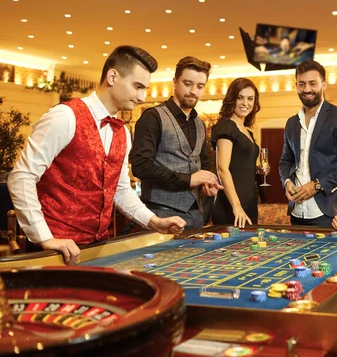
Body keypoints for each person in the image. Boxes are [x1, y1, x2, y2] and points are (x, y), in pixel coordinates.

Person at [8, 45, 187, 265]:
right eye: (137, 86)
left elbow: (120, 190)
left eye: (145, 89)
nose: (142, 97)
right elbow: (21, 177)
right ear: (113, 76)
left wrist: (153, 221)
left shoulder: (122, 132)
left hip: (97, 248)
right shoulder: (65, 116)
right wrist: (45, 238)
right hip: (54, 250)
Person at [131, 56, 222, 229]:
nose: (193, 91)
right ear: (174, 82)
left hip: (196, 213)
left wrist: (206, 182)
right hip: (160, 212)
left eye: (200, 86)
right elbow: (141, 166)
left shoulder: (199, 123)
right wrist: (188, 180)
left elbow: (203, 161)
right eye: (187, 83)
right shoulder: (153, 117)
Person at [279, 60, 337, 227]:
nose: (307, 89)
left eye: (312, 83)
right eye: (301, 84)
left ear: (324, 84)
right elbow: (285, 161)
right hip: (297, 212)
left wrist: (317, 185)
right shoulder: (292, 123)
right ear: (296, 85)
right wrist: (287, 182)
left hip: (332, 213)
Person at [211, 78, 265, 228]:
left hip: (249, 201)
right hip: (231, 205)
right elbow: (222, 169)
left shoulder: (247, 131)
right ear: (232, 99)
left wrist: (258, 169)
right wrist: (236, 206)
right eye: (240, 97)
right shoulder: (227, 126)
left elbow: (241, 165)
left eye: (250, 99)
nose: (245, 103)